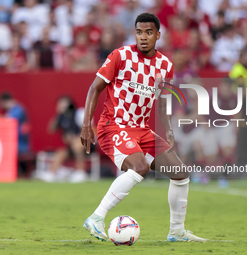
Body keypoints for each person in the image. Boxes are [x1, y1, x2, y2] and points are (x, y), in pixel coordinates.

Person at [80, 13, 207, 242]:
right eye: (139, 32)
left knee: (180, 173)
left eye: (149, 32)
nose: (143, 37)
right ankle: (96, 217)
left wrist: (168, 131)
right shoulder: (120, 55)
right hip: (113, 126)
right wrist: (86, 125)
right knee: (140, 167)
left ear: (158, 35)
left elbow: (163, 102)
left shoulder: (165, 65)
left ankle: (177, 231)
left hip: (141, 130)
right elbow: (94, 88)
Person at [38, 96, 92, 183]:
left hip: (87, 144)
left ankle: (81, 173)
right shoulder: (61, 117)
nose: (61, 106)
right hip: (71, 146)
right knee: (61, 152)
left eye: (63, 103)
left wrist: (76, 138)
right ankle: (51, 174)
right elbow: (51, 129)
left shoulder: (79, 113)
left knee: (77, 145)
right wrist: (58, 115)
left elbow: (89, 130)